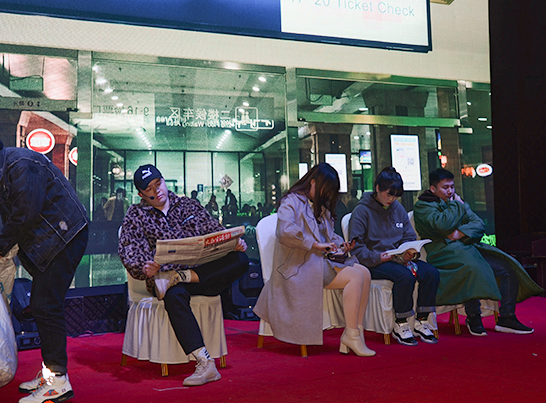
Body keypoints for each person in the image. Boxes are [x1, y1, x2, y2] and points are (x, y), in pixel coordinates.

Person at [0, 116, 88, 403]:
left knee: (46, 306)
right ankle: (51, 373)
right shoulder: (6, 168)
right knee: (42, 305)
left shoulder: (19, 163)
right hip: (53, 241)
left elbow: (25, 212)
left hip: (64, 237)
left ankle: (58, 381)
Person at [118, 164, 249, 387]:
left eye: (158, 183)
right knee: (173, 295)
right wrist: (145, 268)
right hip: (165, 281)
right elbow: (130, 250)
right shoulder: (136, 214)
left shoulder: (188, 204)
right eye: (149, 189)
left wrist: (232, 243)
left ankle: (181, 275)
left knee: (241, 260)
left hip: (202, 274)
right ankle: (205, 363)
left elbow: (213, 231)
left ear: (164, 181)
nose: (157, 190)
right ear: (141, 195)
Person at [253, 163, 375, 357]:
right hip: (300, 266)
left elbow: (328, 236)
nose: (326, 195)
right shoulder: (291, 201)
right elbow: (285, 232)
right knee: (355, 276)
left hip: (318, 262)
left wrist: (341, 245)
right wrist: (314, 244)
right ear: (312, 182)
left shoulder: (320, 206)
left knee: (365, 273)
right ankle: (351, 335)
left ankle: (356, 333)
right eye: (325, 190)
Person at [413, 168, 543, 336]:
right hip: (442, 252)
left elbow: (478, 223)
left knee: (507, 268)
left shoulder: (456, 202)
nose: (450, 191)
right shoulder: (423, 205)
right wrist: (456, 206)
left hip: (467, 246)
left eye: (452, 186)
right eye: (445, 187)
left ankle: (507, 317)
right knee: (471, 268)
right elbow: (443, 225)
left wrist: (459, 233)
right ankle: (474, 316)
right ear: (433, 188)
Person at [349, 167, 440, 346]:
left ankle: (422, 320)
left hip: (399, 259)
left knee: (431, 273)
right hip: (374, 262)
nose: (391, 199)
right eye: (389, 194)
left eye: (395, 196)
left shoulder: (397, 208)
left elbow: (408, 236)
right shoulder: (362, 211)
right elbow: (357, 249)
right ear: (377, 188)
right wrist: (378, 257)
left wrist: (409, 251)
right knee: (404, 276)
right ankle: (401, 323)